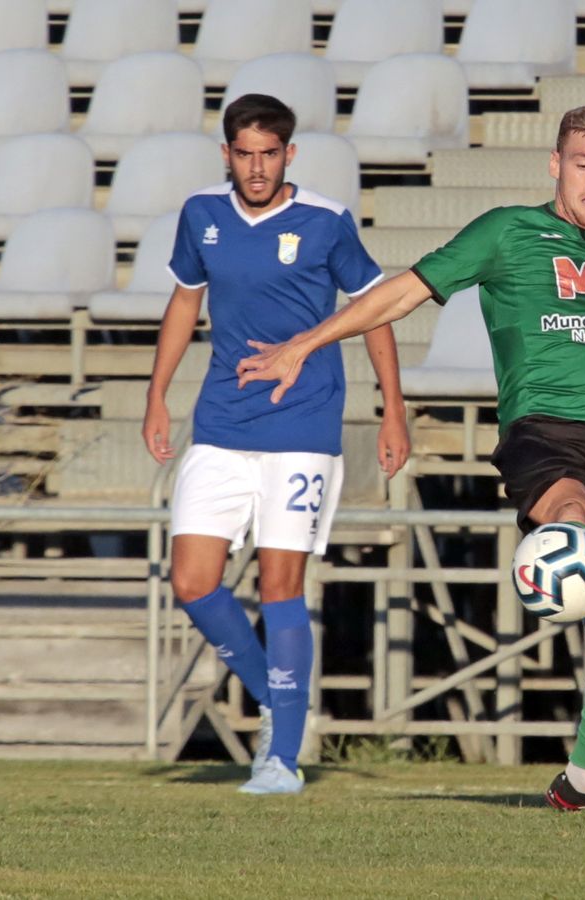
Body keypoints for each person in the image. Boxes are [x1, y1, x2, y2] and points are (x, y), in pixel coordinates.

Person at [232, 105, 585, 814]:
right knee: (572, 508)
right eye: (582, 164)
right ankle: (578, 573)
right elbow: (402, 293)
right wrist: (304, 344)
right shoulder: (508, 232)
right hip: (543, 429)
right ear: (555, 165)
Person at [142, 93, 410, 795]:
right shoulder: (201, 215)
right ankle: (281, 699)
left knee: (280, 585)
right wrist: (156, 394)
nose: (256, 168)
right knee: (192, 582)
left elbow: (375, 310)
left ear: (289, 154)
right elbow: (184, 301)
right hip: (221, 424)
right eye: (244, 154)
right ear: (226, 154)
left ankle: (280, 759)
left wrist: (394, 410)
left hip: (302, 424)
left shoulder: (325, 221)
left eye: (269, 154)